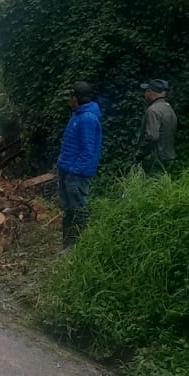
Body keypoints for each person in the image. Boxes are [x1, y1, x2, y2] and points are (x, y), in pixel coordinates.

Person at [56, 81, 103, 250]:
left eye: (70, 96)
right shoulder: (77, 115)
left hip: (76, 174)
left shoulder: (87, 118)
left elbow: (88, 150)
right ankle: (67, 246)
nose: (68, 100)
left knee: (78, 211)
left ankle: (77, 248)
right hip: (67, 171)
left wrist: (75, 170)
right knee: (69, 210)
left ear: (75, 98)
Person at [136, 78, 177, 175]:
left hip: (155, 160)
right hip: (169, 157)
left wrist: (139, 154)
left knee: (151, 184)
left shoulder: (153, 110)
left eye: (146, 91)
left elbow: (152, 137)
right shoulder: (168, 107)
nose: (145, 94)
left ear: (150, 92)